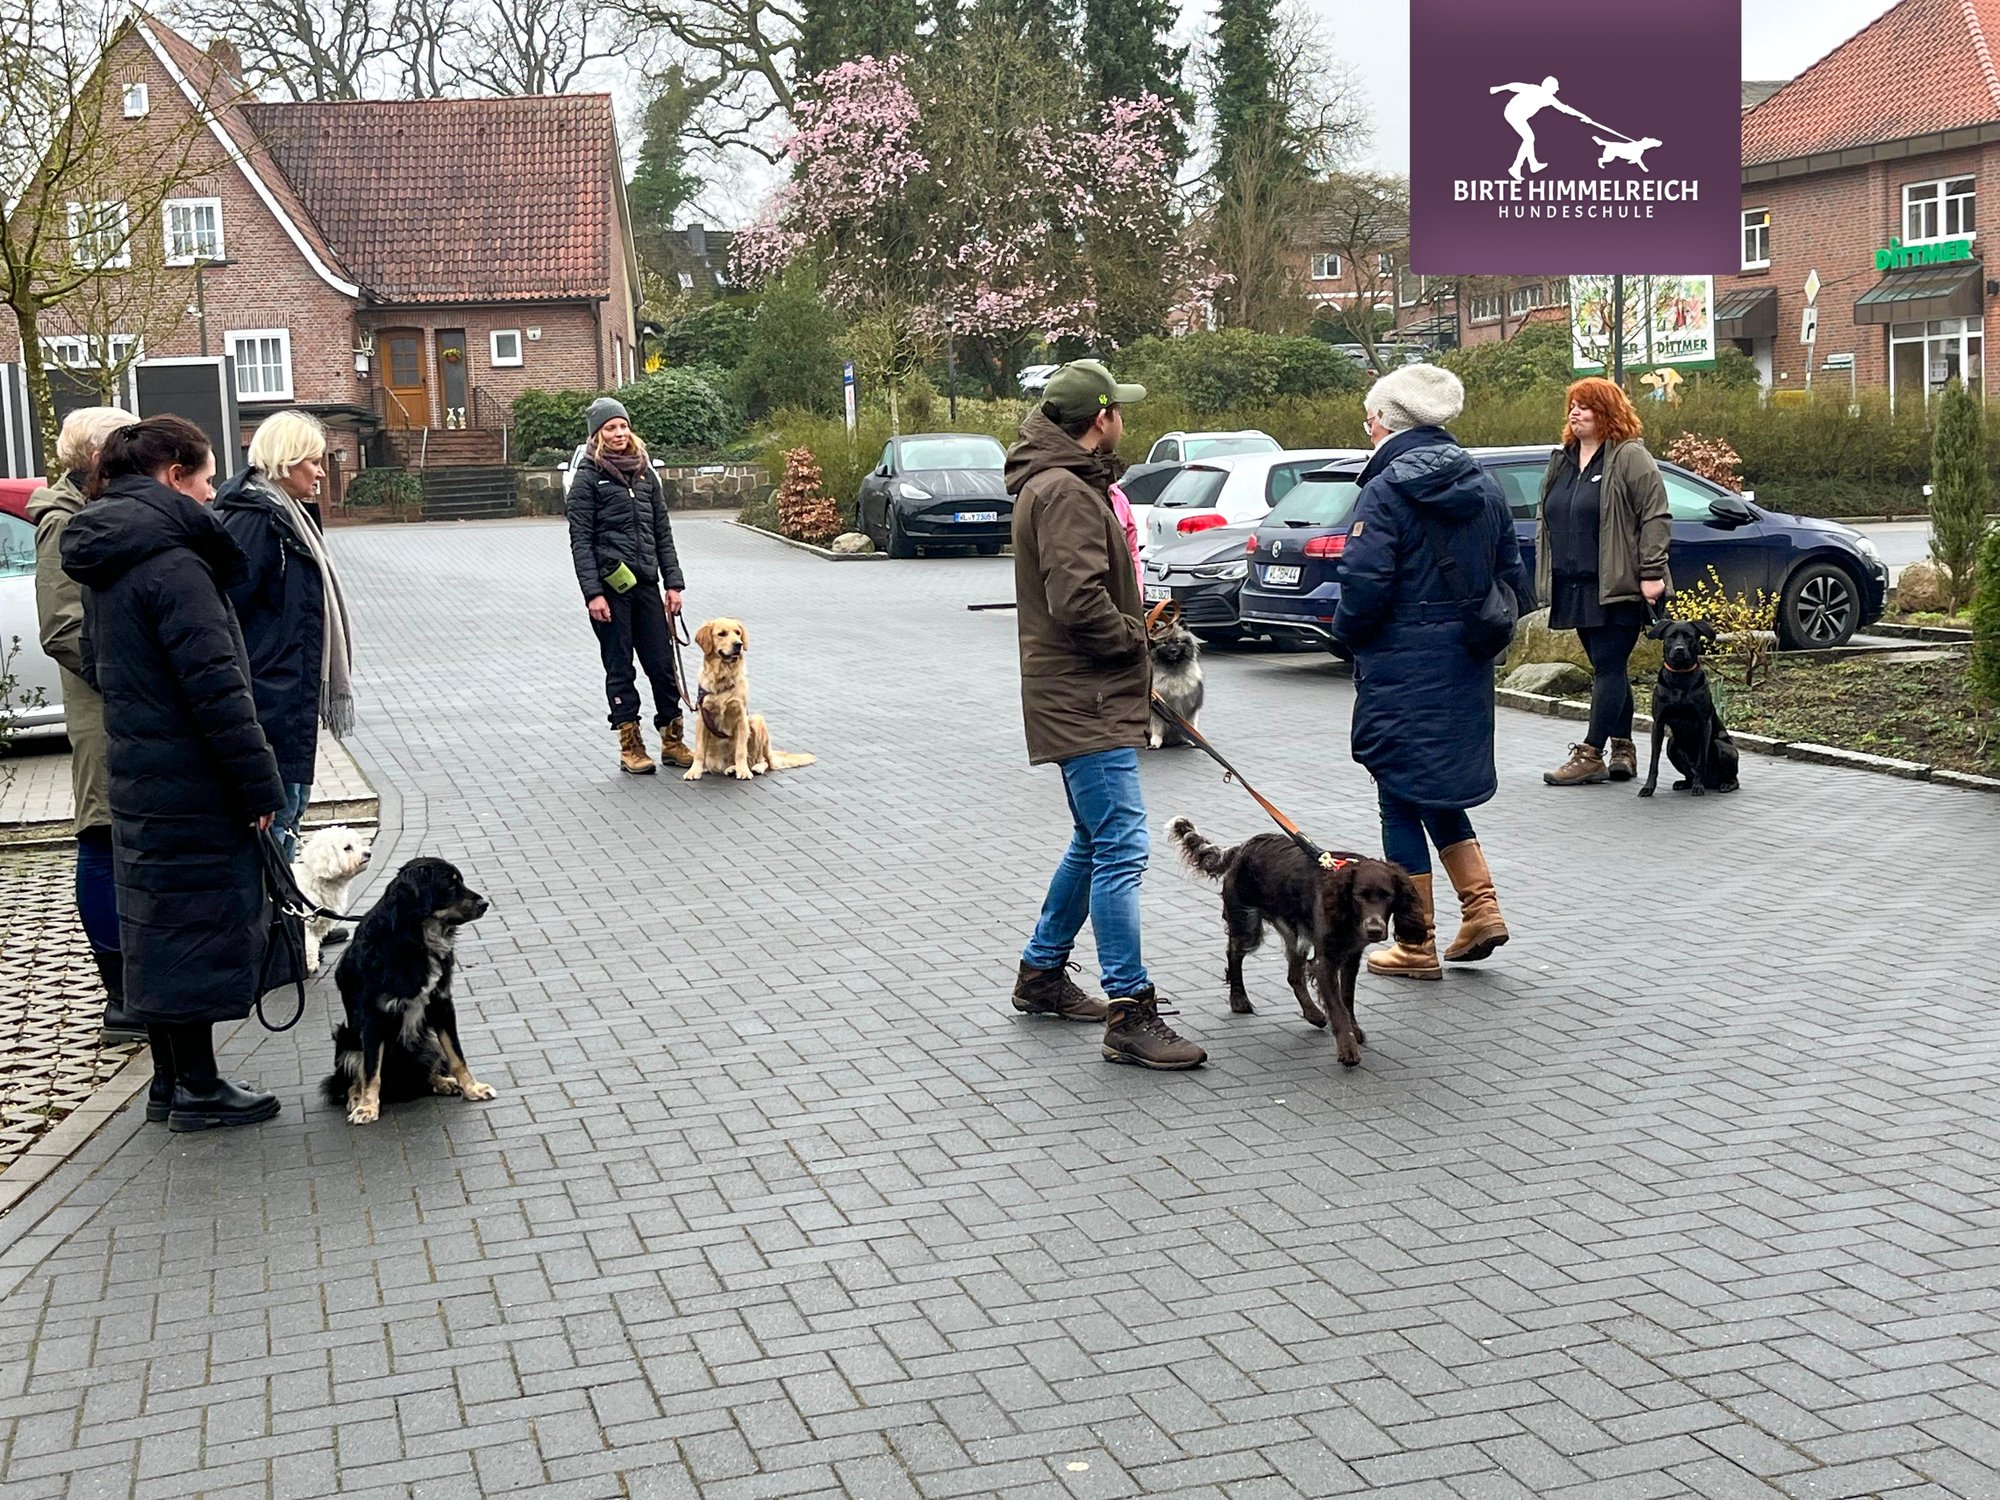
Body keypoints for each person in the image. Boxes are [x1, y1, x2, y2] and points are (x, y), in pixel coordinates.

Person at [59, 415, 287, 1131]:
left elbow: (97, 663)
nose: (213, 491)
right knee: (192, 923)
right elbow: (219, 688)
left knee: (157, 924)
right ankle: (198, 1087)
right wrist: (259, 787)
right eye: (207, 476)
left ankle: (169, 1083)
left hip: (138, 767)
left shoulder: (110, 555)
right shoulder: (178, 564)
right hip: (192, 776)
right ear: (172, 476)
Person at [1006, 359, 1204, 1070]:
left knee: (1095, 839)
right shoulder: (1064, 492)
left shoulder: (1062, 482)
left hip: (1079, 691)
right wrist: (1139, 638)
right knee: (1121, 845)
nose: (1125, 416)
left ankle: (1041, 974)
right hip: (1082, 694)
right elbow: (1077, 603)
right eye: (1119, 407)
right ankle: (1130, 1009)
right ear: (1100, 418)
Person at [1332, 364, 1528, 981]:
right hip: (1463, 660)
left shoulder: (1384, 489)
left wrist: (1346, 634)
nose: (1368, 431)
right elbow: (1514, 576)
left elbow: (1363, 584)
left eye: (1369, 420)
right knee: (1435, 786)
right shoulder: (1485, 483)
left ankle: (1416, 943)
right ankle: (1482, 908)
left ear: (1385, 421)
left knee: (1398, 792)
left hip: (1400, 660)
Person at [29, 406, 143, 1041]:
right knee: (100, 836)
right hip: (103, 711)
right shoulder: (62, 524)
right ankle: (118, 993)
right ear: (98, 457)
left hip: (122, 705)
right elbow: (62, 629)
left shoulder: (96, 511)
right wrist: (131, 677)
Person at [214, 409, 357, 861]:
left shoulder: (286, 514)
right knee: (280, 818)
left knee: (291, 810)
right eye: (312, 461)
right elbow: (230, 609)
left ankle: (289, 926)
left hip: (288, 693)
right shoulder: (257, 521)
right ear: (285, 460)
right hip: (270, 695)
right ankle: (279, 927)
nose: (320, 471)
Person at [1537, 377, 1671, 787]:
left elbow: (1655, 515)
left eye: (1586, 407)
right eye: (1572, 406)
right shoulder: (1563, 459)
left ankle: (1591, 752)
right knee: (1606, 668)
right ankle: (1624, 747)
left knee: (1610, 666)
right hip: (1574, 584)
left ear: (1607, 412)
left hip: (1620, 584)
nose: (1575, 413)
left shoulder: (1629, 456)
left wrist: (1651, 572)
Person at [566, 397, 691, 776]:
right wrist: (593, 593)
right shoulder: (588, 478)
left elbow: (662, 532)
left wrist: (674, 583)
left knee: (661, 665)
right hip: (610, 589)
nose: (619, 434)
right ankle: (631, 745)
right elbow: (580, 541)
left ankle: (673, 739)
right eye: (610, 428)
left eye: (623, 426)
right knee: (620, 667)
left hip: (647, 584)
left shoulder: (644, 474)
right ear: (597, 434)